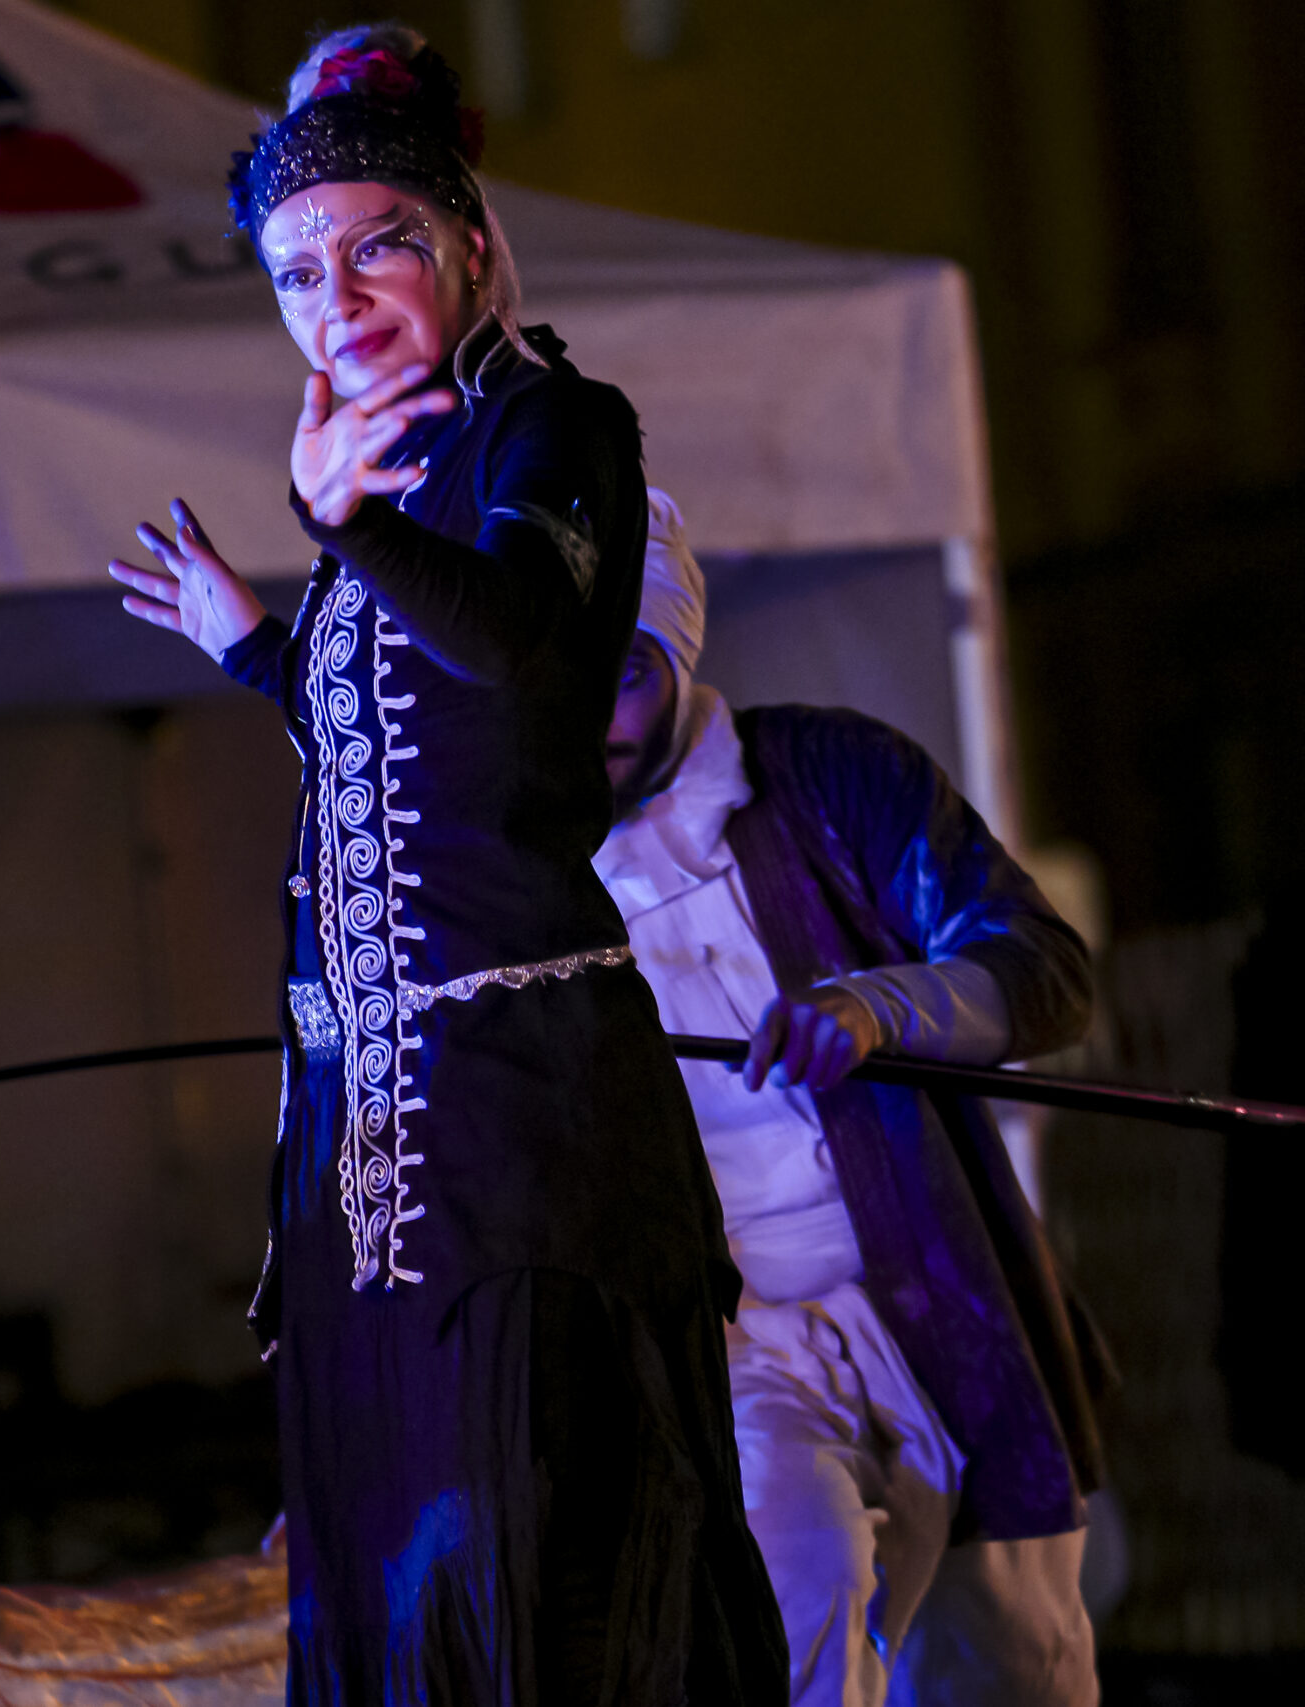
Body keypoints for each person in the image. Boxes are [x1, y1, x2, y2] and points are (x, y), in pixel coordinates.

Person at [108, 25, 785, 1706]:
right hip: (364, 1143)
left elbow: (537, 670)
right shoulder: (382, 480)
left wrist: (349, 531)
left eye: (378, 247)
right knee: (408, 1577)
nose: (334, 300)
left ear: (471, 244)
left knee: (550, 1574)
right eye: (295, 272)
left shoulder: (556, 427)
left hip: (525, 1120)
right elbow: (410, 745)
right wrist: (260, 646)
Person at [594, 491, 1110, 1706]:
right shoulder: (524, 883)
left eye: (621, 674)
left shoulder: (829, 774)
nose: (587, 720)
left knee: (1011, 1668)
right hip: (738, 1345)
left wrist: (884, 1006)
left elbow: (1044, 970)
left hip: (937, 1303)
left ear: (675, 653)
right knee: (789, 1592)